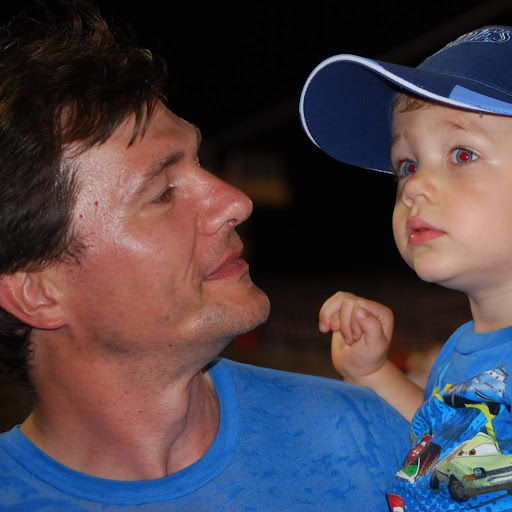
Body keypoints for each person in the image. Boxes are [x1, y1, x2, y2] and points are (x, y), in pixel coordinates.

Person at [0, 1, 411, 510]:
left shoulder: (367, 438)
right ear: (38, 293)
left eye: (200, 162)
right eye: (162, 193)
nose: (236, 201)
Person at [300, 24, 512, 511]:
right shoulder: (460, 350)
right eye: (407, 165)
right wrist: (374, 373)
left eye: (461, 154)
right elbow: (446, 445)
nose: (412, 188)